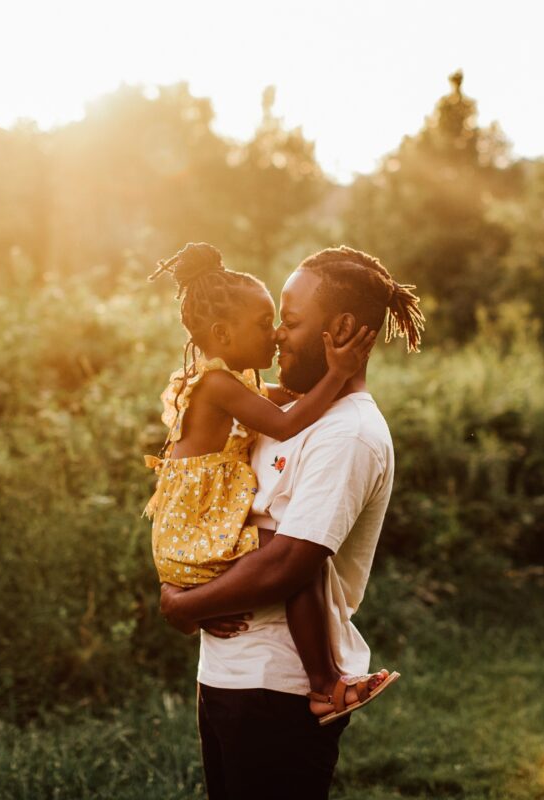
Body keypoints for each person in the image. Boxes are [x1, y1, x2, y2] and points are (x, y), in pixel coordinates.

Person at [160, 245, 425, 800]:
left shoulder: (348, 434)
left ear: (344, 329)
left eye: (291, 321)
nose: (278, 335)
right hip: (227, 676)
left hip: (279, 691)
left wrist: (183, 605)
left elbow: (289, 562)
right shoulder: (276, 409)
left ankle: (328, 682)